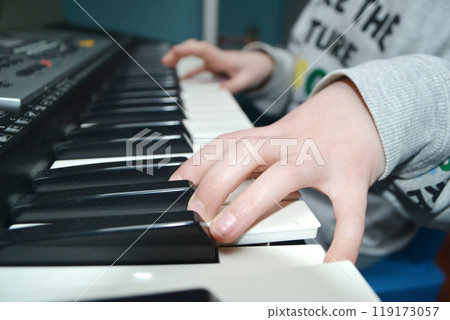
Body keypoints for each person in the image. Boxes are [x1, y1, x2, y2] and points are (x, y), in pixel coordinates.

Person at [161, 0, 450, 265]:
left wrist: (385, 110)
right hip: (285, 171)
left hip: (333, 223)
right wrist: (272, 69)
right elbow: (312, 71)